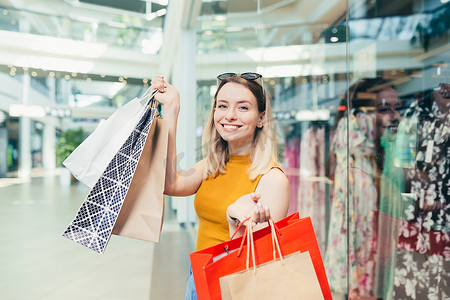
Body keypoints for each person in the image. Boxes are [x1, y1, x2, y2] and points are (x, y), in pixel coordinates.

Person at [150, 73, 290, 299]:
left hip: (234, 287)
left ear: (261, 118)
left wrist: (235, 222)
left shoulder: (272, 179)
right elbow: (170, 184)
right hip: (197, 277)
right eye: (222, 106)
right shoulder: (212, 165)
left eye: (243, 108)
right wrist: (172, 110)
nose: (230, 115)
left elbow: (263, 262)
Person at [325, 77, 402, 299]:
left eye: (396, 108)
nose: (395, 117)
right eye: (384, 109)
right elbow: (359, 240)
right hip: (362, 283)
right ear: (360, 118)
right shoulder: (357, 170)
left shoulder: (378, 158)